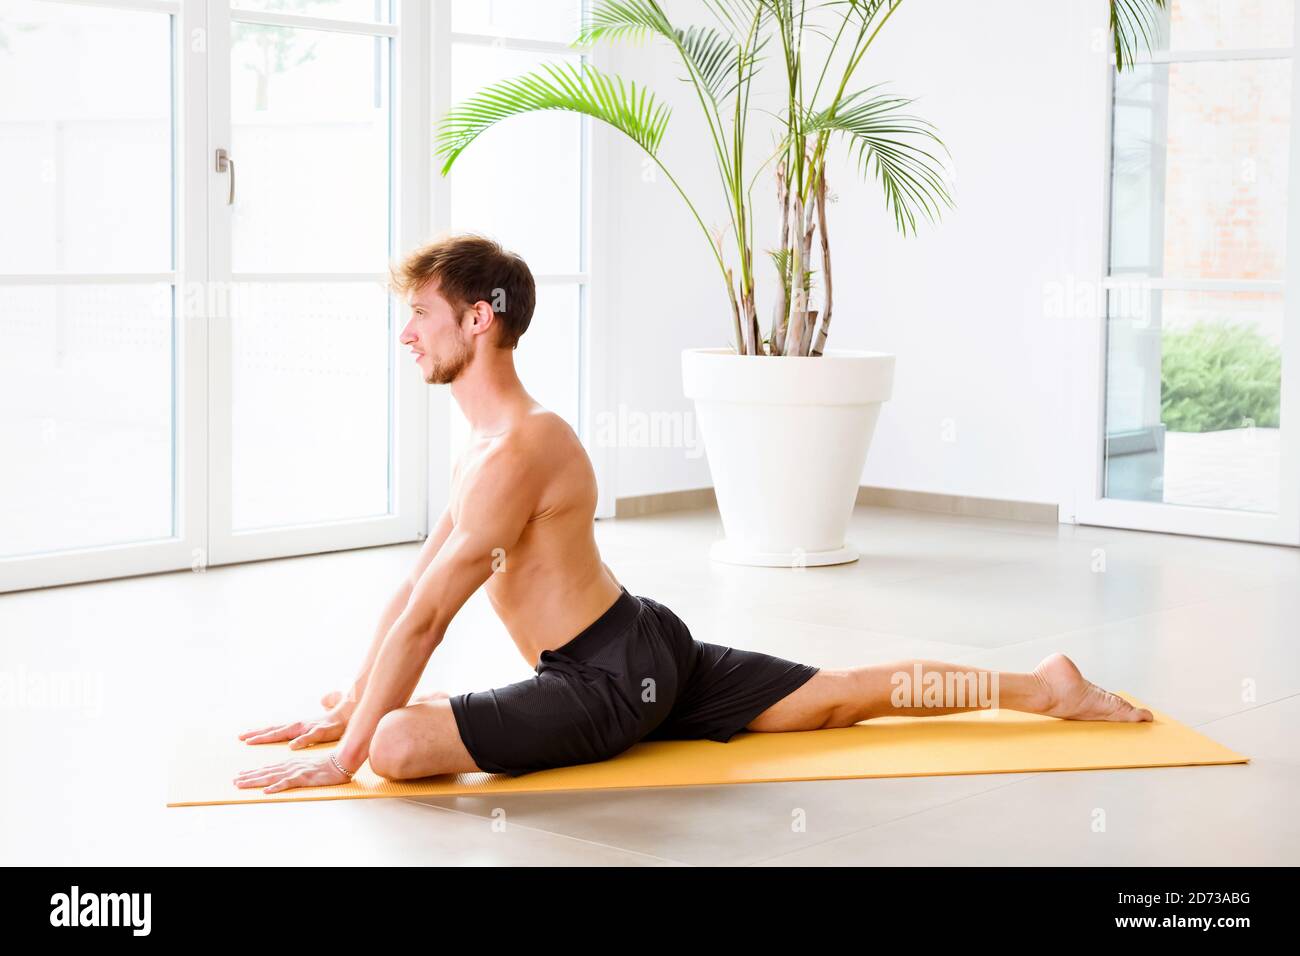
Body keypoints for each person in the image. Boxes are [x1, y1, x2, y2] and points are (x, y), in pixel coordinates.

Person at [234, 234, 1152, 795]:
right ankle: (1045, 689)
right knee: (834, 700)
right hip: (640, 646)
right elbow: (412, 593)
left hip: (606, 680)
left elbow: (433, 618)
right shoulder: (487, 446)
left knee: (400, 743)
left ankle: (1046, 690)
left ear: (480, 321)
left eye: (421, 314)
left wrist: (349, 753)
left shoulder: (518, 451)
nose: (406, 333)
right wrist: (352, 699)